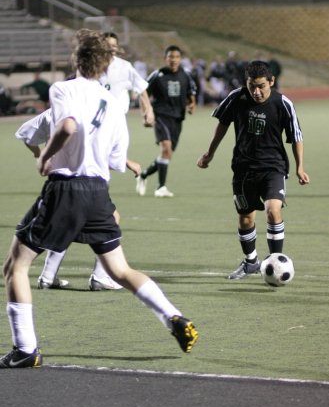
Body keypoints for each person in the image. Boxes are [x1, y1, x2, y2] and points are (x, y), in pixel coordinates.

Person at [0, 29, 198, 368]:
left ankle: (25, 349)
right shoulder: (113, 104)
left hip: (65, 189)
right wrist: (129, 163)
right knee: (120, 270)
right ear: (106, 66)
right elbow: (115, 156)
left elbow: (67, 127)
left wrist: (44, 157)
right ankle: (174, 317)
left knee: (15, 266)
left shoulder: (63, 89)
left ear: (76, 59)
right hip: (98, 192)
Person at [197, 60, 309, 280]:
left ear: (272, 82)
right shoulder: (236, 97)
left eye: (261, 86)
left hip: (273, 166)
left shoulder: (283, 103)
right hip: (243, 168)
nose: (256, 92)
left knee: (273, 210)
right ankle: (250, 263)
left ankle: (275, 262)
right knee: (246, 219)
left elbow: (296, 137)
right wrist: (209, 153)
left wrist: (300, 168)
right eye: (252, 86)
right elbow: (222, 124)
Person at [15, 107, 141, 291]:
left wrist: (39, 154)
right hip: (83, 183)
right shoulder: (92, 111)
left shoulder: (53, 112)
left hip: (58, 183)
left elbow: (25, 133)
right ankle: (100, 277)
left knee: (64, 225)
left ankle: (48, 276)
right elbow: (93, 151)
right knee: (111, 218)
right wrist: (126, 162)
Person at [135, 45, 196, 198]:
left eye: (176, 57)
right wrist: (145, 114)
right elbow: (142, 94)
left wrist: (192, 104)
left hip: (178, 118)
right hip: (160, 116)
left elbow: (191, 93)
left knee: (166, 155)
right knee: (166, 149)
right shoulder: (158, 75)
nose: (173, 60)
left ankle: (143, 175)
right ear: (165, 58)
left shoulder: (186, 75)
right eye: (170, 57)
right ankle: (160, 187)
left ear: (180, 59)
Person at [99, 32, 154, 124]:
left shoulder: (124, 66)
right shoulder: (92, 66)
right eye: (107, 45)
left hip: (118, 117)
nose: (111, 49)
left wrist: (149, 110)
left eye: (114, 46)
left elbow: (141, 87)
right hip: (97, 117)